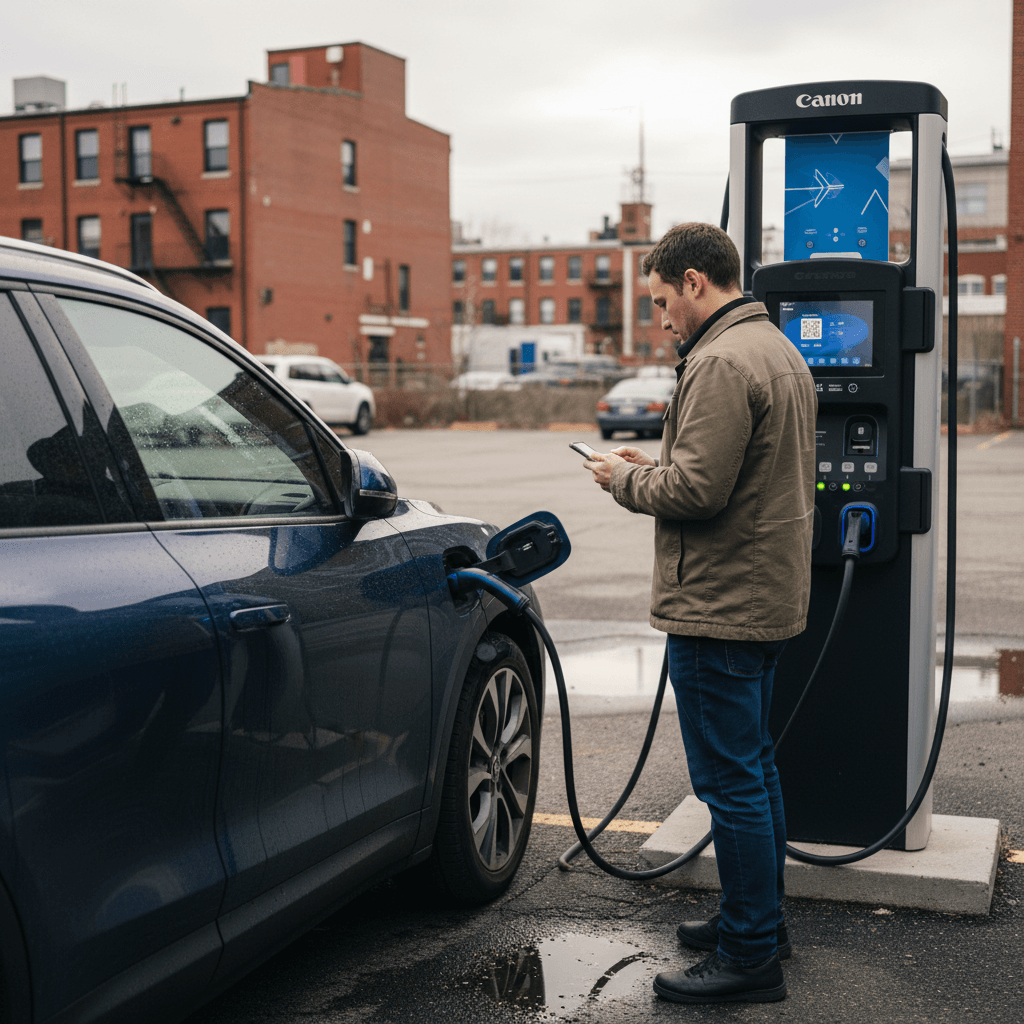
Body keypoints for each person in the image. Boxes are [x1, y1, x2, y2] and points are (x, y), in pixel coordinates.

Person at [583, 223, 816, 1004]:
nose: (660, 321)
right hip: (765, 595)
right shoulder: (775, 348)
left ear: (693, 282)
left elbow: (697, 493)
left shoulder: (717, 360)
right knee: (755, 768)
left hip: (720, 606)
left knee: (730, 782)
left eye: (660, 303)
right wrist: (655, 466)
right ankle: (761, 919)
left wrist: (621, 479)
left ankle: (750, 954)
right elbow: (726, 474)